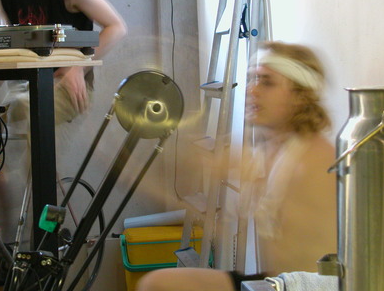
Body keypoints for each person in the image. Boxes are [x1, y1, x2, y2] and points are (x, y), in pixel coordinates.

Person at [136, 41, 337, 291]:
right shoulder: (273, 149)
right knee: (159, 284)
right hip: (272, 281)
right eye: (252, 79)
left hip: (299, 287)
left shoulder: (317, 162)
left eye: (267, 82)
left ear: (299, 95)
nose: (252, 90)